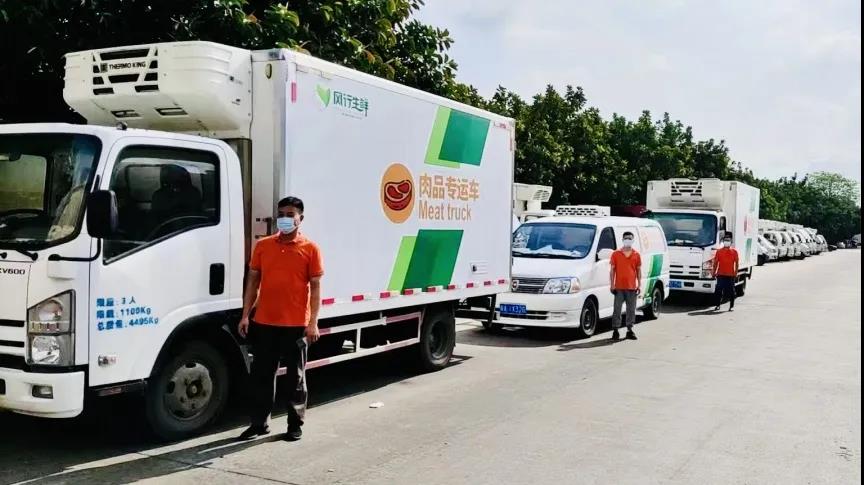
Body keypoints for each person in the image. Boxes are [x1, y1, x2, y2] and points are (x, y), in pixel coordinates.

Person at [237, 196, 324, 441]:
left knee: (295, 379)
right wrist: (246, 315)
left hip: (296, 325)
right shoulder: (263, 246)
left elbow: (316, 288)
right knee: (262, 377)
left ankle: (294, 424)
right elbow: (253, 282)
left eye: (290, 215)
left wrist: (313, 323)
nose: (284, 219)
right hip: (264, 323)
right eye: (281, 214)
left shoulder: (310, 248)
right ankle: (259, 424)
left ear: (300, 218)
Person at [610, 231, 641, 340]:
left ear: (633, 240)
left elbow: (638, 271)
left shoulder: (636, 254)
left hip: (632, 287)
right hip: (619, 287)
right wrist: (612, 284)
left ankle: (629, 330)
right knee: (617, 309)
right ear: (623, 240)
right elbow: (612, 270)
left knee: (631, 310)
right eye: (626, 238)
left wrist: (639, 285)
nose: (628, 240)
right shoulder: (616, 254)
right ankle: (615, 330)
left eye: (630, 238)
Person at [712, 233, 739, 311]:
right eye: (725, 240)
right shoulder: (719, 251)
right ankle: (717, 305)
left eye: (728, 240)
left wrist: (735, 273)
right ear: (723, 242)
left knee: (731, 291)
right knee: (718, 291)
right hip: (720, 274)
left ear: (731, 242)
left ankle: (731, 306)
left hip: (730, 275)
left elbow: (737, 263)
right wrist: (714, 273)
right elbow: (715, 263)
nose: (727, 242)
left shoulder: (734, 252)